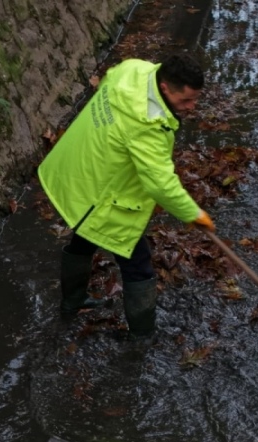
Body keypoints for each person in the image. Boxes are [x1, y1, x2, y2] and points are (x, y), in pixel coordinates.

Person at [38, 53, 215, 338]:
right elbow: (161, 184)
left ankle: (71, 304)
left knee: (84, 236)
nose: (192, 107)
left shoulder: (135, 69)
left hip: (78, 167)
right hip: (100, 191)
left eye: (195, 100)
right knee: (138, 263)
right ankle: (142, 338)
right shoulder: (148, 126)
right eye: (186, 101)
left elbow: (108, 77)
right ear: (166, 87)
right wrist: (194, 214)